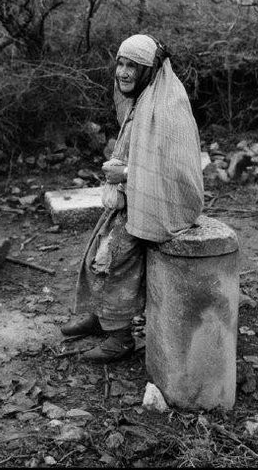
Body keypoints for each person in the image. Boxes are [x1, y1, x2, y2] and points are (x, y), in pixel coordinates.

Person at [61, 34, 204, 362]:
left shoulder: (168, 106)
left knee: (116, 254)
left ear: (149, 70)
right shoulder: (144, 97)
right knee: (99, 245)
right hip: (140, 193)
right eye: (120, 64)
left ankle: (120, 338)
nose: (123, 72)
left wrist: (125, 175)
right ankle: (102, 318)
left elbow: (177, 173)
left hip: (167, 202)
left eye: (132, 66)